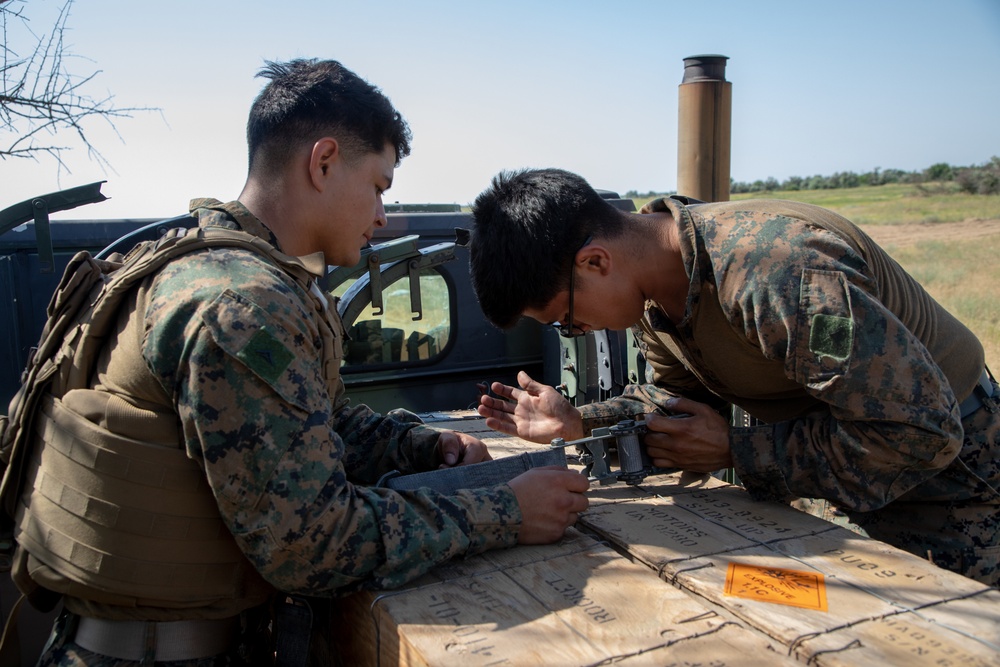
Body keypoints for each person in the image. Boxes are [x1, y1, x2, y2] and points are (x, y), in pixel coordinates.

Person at [9, 62, 589, 665]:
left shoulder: (211, 269)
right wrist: (506, 512)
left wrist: (420, 446)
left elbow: (307, 423)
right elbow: (312, 542)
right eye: (379, 187)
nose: (383, 217)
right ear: (324, 162)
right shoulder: (241, 304)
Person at [469, 167, 999, 587]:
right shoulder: (656, 295)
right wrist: (578, 422)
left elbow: (918, 433)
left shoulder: (777, 273)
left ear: (595, 262)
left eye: (566, 317)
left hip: (957, 478)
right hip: (859, 469)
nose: (576, 331)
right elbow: (675, 401)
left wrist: (737, 452)